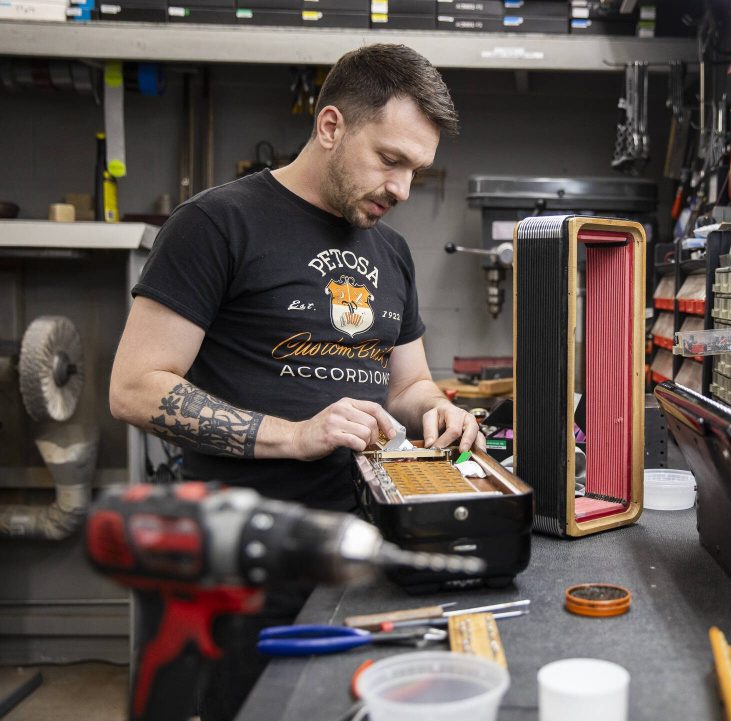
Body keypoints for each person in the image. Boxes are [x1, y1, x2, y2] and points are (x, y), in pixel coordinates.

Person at [109, 44, 480, 720]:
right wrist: (296, 434)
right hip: (250, 557)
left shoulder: (391, 251)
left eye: (416, 172)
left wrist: (439, 411)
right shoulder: (217, 223)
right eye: (391, 160)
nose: (401, 189)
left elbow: (409, 382)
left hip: (363, 544)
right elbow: (134, 386)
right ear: (331, 126)